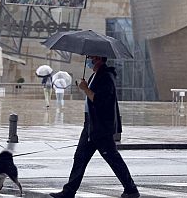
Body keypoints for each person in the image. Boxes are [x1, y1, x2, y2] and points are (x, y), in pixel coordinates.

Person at [50, 56, 139, 198]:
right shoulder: (95, 75)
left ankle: (131, 189)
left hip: (100, 126)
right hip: (91, 124)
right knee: (80, 158)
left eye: (91, 57)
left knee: (113, 158)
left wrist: (85, 89)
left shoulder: (106, 77)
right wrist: (85, 88)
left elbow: (100, 101)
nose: (88, 59)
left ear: (98, 58)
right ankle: (69, 191)